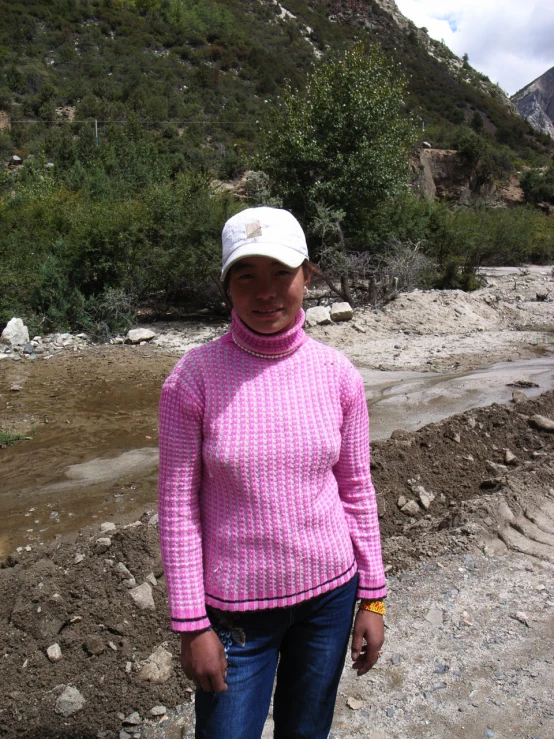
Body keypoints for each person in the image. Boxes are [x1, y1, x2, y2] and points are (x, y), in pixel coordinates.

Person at [158, 206, 386, 739]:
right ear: (226, 287)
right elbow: (177, 509)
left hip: (329, 602)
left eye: (281, 273)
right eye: (247, 276)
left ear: (307, 275)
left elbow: (356, 489)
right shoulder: (192, 380)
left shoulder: (338, 375)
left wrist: (372, 596)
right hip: (235, 617)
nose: (266, 292)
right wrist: (192, 626)